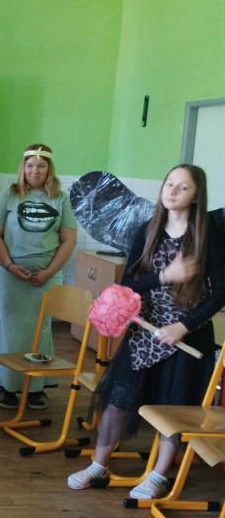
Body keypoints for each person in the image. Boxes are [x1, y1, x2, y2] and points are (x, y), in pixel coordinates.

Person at [67, 164, 225, 499]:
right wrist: (165, 277)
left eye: (183, 187)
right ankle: (98, 465)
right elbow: (128, 284)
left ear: (197, 196)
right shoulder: (147, 230)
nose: (173, 191)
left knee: (173, 407)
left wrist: (183, 326)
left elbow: (220, 294)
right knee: (117, 400)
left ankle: (158, 475)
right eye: (169, 183)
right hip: (146, 334)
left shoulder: (209, 237)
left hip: (187, 334)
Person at [0, 143, 77, 410]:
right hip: (11, 276)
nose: (35, 171)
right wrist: (9, 265)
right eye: (29, 165)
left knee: (42, 328)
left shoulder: (61, 198)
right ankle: (7, 386)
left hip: (47, 278)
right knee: (11, 329)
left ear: (49, 169)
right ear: (23, 167)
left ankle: (36, 387)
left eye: (40, 165)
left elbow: (68, 240)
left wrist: (49, 272)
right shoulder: (9, 194)